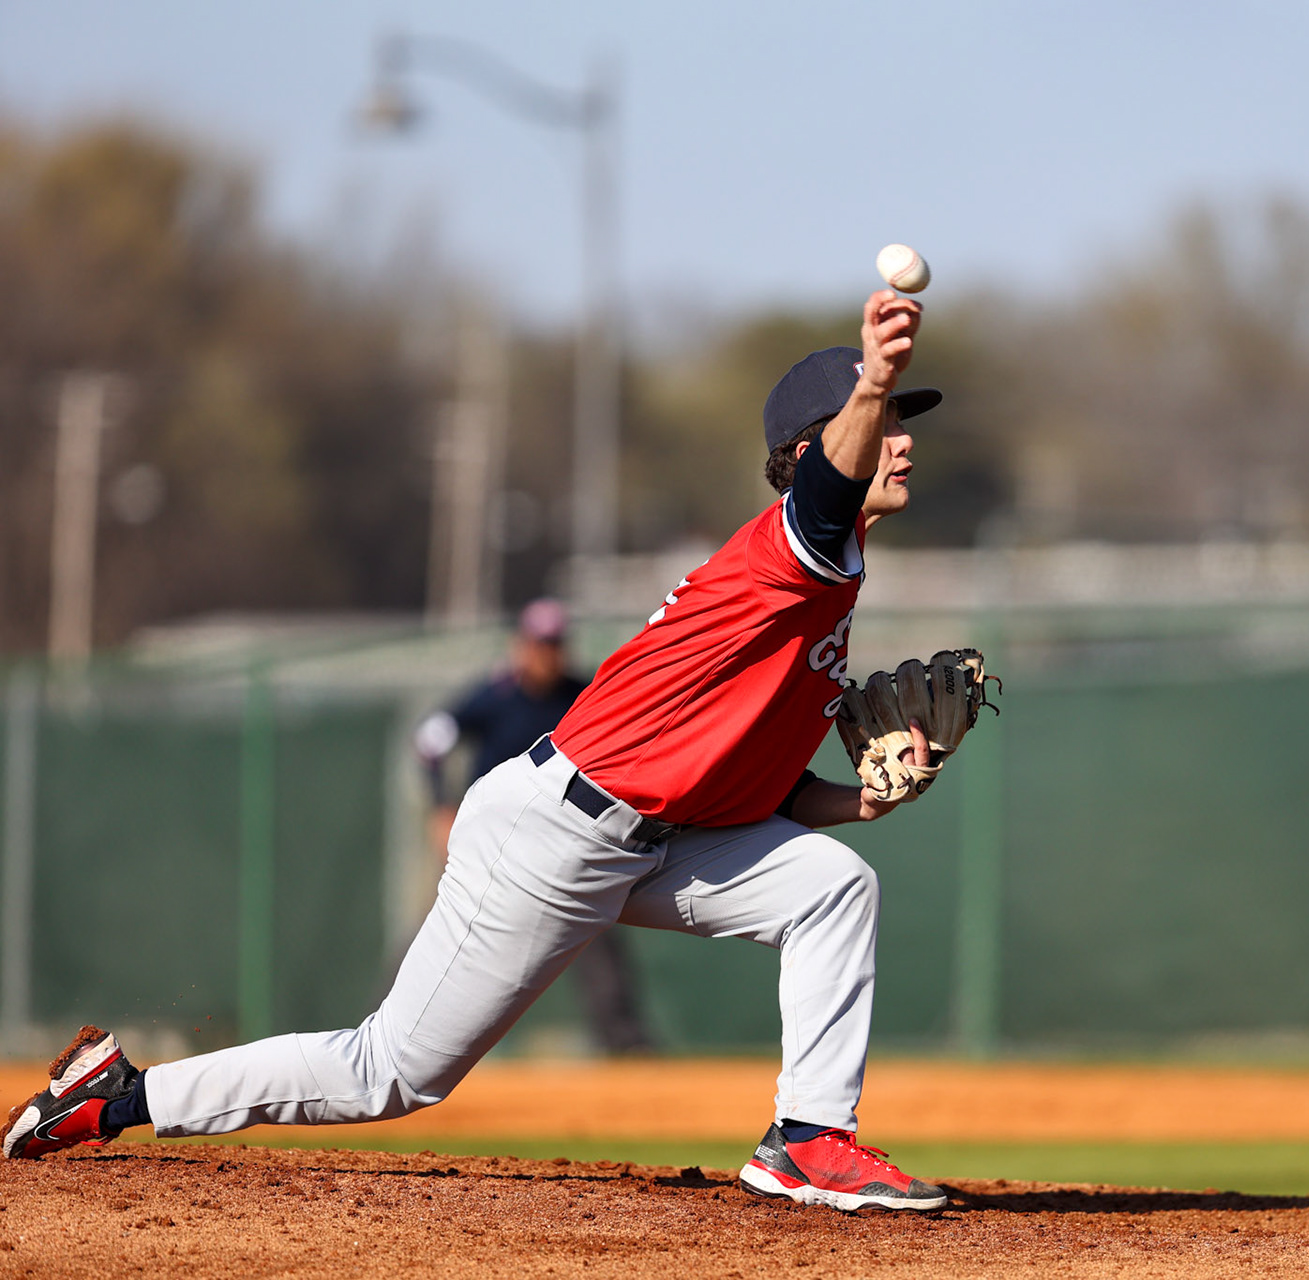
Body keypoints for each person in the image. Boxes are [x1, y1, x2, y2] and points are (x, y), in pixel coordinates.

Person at [5, 289, 953, 1212]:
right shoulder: (792, 553)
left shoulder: (829, 578)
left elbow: (748, 788)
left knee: (834, 886)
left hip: (654, 837)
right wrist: (870, 379)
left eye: (903, 417)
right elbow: (827, 490)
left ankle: (807, 1141)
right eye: (883, 422)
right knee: (389, 1072)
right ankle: (121, 1095)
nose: (902, 436)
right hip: (556, 834)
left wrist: (860, 801)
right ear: (812, 449)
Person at [414, 598, 650, 1055]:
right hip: (491, 845)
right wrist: (440, 808)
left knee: (596, 936)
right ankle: (389, 1030)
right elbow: (430, 740)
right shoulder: (494, 696)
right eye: (540, 644)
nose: (547, 653)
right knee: (438, 934)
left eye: (555, 644)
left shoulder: (580, 695)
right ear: (520, 646)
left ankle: (628, 1050)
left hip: (563, 844)